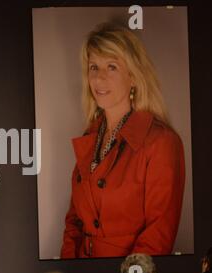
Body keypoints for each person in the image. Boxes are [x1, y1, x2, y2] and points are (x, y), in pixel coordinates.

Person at [60, 23, 185, 259]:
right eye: (94, 67)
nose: (99, 77)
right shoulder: (90, 137)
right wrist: (70, 272)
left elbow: (159, 233)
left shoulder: (162, 142)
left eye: (112, 67)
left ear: (134, 77)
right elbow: (74, 221)